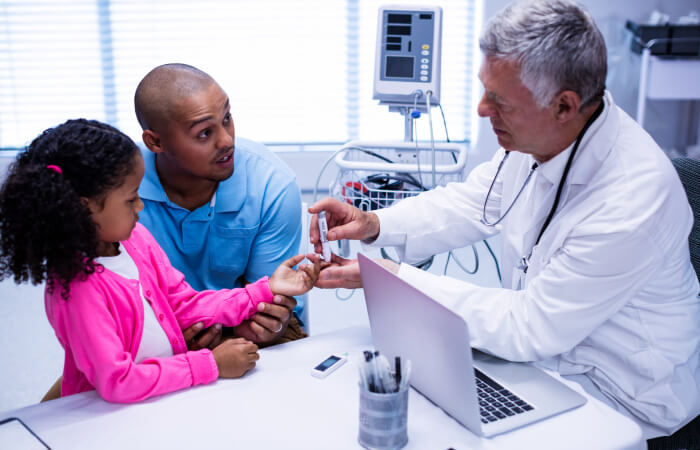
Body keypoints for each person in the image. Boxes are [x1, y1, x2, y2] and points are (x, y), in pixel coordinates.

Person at [309, 0, 700, 439]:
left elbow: (529, 325)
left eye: (500, 101)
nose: (480, 109)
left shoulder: (631, 199)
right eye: (484, 90)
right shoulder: (541, 140)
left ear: (564, 106)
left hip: (622, 392)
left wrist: (394, 278)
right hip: (550, 359)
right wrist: (375, 223)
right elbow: (474, 201)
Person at [0, 119, 320, 403]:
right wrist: (211, 364)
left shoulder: (134, 239)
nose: (141, 206)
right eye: (130, 199)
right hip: (102, 418)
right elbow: (119, 382)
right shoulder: (78, 291)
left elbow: (184, 305)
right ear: (85, 209)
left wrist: (263, 291)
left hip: (162, 395)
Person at [134, 63, 305, 348]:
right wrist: (176, 337)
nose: (227, 141)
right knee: (78, 389)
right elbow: (116, 302)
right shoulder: (121, 191)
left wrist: (268, 325)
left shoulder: (272, 187)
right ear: (156, 142)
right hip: (157, 328)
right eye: (204, 133)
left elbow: (271, 302)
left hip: (246, 326)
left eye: (227, 118)